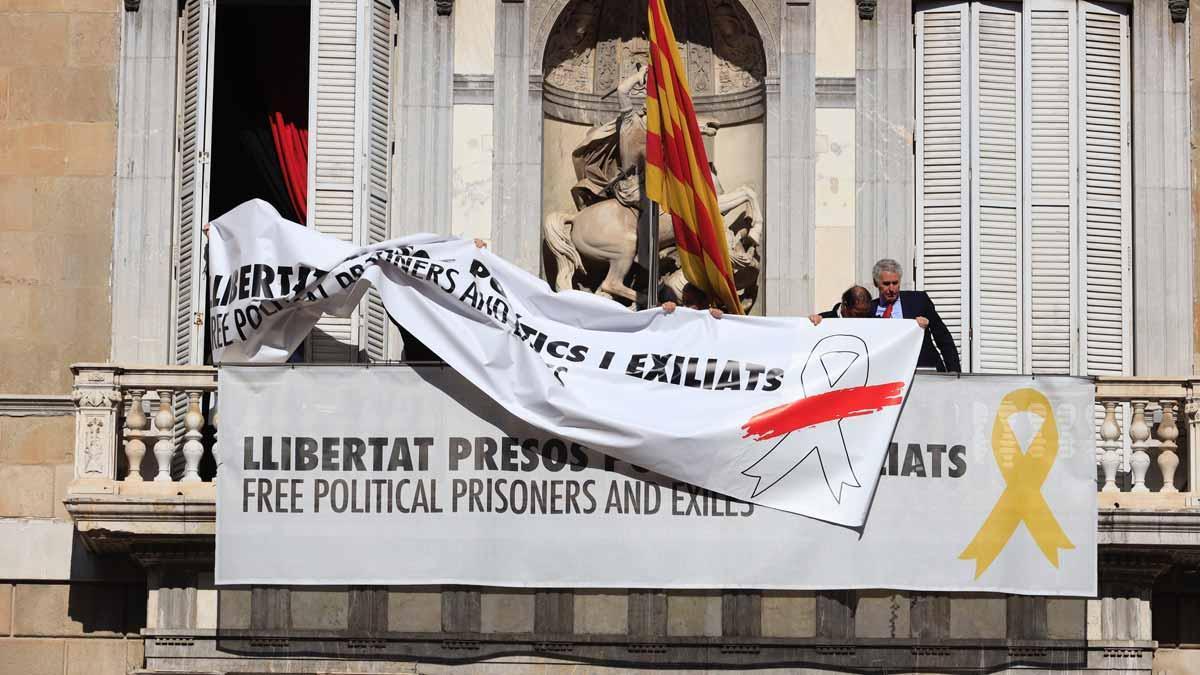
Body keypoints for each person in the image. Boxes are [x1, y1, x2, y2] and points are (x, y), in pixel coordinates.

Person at [871, 258, 960, 372]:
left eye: (895, 283)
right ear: (876, 283)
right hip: (889, 373)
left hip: (925, 370)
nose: (892, 289)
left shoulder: (918, 301)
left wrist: (954, 372)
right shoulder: (870, 309)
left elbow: (942, 337)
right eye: (886, 284)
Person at [808, 285, 874, 325]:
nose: (862, 318)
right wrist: (812, 322)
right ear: (845, 306)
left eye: (865, 313)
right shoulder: (824, 320)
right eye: (858, 314)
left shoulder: (873, 320)